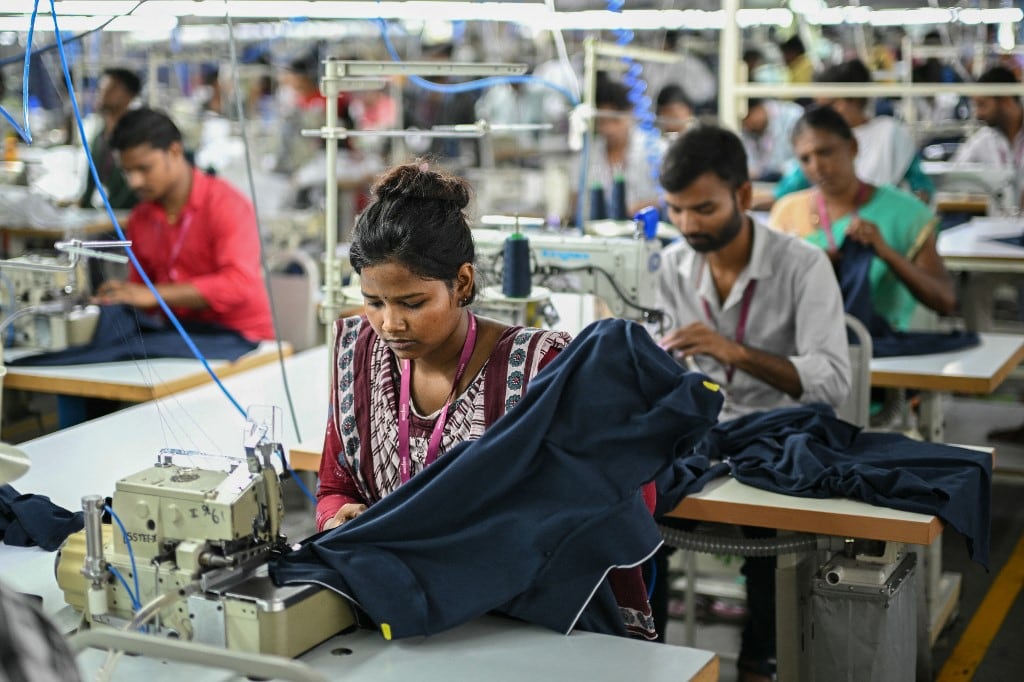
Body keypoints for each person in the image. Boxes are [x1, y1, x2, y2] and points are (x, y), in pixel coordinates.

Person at [314, 162, 658, 639]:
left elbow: (630, 492)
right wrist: (339, 516)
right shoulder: (358, 352)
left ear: (463, 283)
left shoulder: (542, 368)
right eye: (375, 302)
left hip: (524, 621)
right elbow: (336, 486)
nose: (390, 324)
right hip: (403, 610)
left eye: (412, 303)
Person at [653, 125, 851, 681]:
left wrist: (733, 351)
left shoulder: (802, 267)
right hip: (703, 434)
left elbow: (833, 381)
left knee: (772, 527)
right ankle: (649, 656)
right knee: (632, 509)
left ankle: (760, 662)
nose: (689, 226)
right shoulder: (671, 265)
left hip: (778, 432)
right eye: (677, 211)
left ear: (744, 196)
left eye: (704, 209)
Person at [95, 108, 274, 343]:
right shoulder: (141, 218)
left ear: (175, 151)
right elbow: (141, 291)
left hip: (242, 336)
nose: (134, 182)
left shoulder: (226, 204)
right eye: (127, 172)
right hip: (180, 334)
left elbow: (238, 283)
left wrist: (153, 295)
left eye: (144, 169)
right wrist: (119, 298)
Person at [770, 105, 956, 330]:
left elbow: (945, 301)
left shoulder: (907, 213)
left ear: (853, 147)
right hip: (805, 345)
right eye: (805, 159)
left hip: (884, 352)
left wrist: (887, 253)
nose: (816, 166)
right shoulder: (787, 212)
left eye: (825, 152)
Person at [773, 59, 934, 203]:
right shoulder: (821, 139)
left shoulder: (890, 133)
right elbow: (787, 189)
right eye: (819, 106)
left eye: (830, 105)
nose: (824, 113)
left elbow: (920, 186)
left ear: (854, 100)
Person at [577, 74, 665, 220]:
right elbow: (577, 202)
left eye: (615, 120)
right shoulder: (589, 154)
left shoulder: (654, 149)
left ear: (630, 113)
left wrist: (632, 210)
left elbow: (669, 198)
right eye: (602, 121)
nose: (608, 129)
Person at [952, 65, 1024, 210]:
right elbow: (953, 178)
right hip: (999, 228)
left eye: (982, 105)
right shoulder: (983, 141)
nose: (978, 114)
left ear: (1006, 101)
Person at [79, 67, 141, 210]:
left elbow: (132, 187)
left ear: (129, 95)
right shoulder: (100, 136)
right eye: (101, 88)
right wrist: (83, 206)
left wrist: (107, 214)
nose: (103, 93)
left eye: (111, 88)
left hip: (125, 217)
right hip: (102, 217)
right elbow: (91, 180)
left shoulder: (137, 135)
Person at [740, 98, 804, 182]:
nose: (747, 125)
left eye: (748, 119)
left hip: (795, 181)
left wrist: (775, 171)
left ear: (759, 108)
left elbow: (803, 161)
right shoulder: (747, 129)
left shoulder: (793, 116)